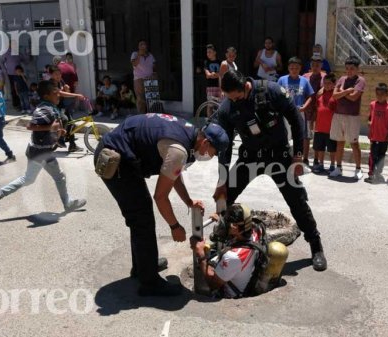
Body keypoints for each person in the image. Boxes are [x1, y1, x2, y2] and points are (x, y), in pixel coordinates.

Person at [94, 113, 229, 297]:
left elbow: (173, 173)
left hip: (125, 154)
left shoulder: (189, 135)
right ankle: (149, 283)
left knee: (140, 216)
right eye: (212, 153)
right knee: (141, 218)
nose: (210, 157)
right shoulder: (179, 150)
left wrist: (188, 202)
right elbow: (161, 196)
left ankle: (143, 266)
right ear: (205, 142)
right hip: (115, 160)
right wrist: (175, 226)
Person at [212, 69, 327, 272]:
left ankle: (316, 246)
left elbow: (296, 119)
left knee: (297, 201)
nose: (234, 102)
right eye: (230, 98)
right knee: (224, 196)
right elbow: (225, 144)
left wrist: (298, 155)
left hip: (279, 156)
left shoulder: (271, 90)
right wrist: (222, 179)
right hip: (251, 156)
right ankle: (220, 240)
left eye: (236, 97)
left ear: (245, 87)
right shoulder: (228, 106)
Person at [0, 81, 87, 215]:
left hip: (41, 150)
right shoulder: (44, 109)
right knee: (46, 177)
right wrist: (51, 128)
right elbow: (30, 126)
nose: (59, 96)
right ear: (46, 96)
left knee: (38, 178)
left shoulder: (50, 107)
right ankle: (67, 203)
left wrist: (57, 132)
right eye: (55, 93)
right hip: (41, 152)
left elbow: (48, 126)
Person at [190, 203, 262, 298]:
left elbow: (212, 284)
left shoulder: (233, 256)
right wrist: (220, 220)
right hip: (240, 273)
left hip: (227, 294)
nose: (223, 224)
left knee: (207, 264)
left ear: (235, 226)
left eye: (226, 222)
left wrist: (201, 255)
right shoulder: (255, 230)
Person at [330, 56, 366, 179]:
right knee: (339, 142)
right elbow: (334, 96)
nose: (349, 71)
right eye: (347, 68)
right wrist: (347, 91)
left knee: (354, 143)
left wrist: (342, 92)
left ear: (357, 69)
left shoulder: (360, 81)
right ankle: (338, 167)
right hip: (338, 114)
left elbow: (354, 97)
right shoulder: (342, 78)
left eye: (352, 68)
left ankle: (358, 169)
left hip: (352, 116)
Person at [277, 57, 315, 168]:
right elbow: (277, 95)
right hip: (285, 113)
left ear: (300, 69)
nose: (294, 70)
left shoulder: (304, 81)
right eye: (292, 67)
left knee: (301, 137)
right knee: (285, 136)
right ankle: (285, 158)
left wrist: (305, 107)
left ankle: (301, 159)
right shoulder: (282, 80)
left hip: (299, 112)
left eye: (297, 68)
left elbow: (311, 96)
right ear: (288, 68)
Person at [48, 65, 86, 152]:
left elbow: (65, 93)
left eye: (59, 74)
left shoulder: (60, 81)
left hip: (61, 105)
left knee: (71, 122)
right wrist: (77, 95)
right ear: (51, 75)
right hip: (53, 107)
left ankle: (72, 145)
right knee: (65, 119)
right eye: (56, 74)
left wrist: (66, 89)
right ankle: (60, 138)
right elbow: (61, 94)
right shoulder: (50, 84)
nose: (58, 76)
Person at [364, 83, 388, 184]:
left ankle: (378, 173)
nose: (379, 96)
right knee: (373, 155)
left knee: (381, 156)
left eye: (382, 94)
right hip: (374, 136)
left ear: (387, 95)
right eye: (377, 94)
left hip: (384, 137)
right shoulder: (373, 104)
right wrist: (369, 125)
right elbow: (370, 117)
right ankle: (371, 173)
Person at [303, 55, 327, 167]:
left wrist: (321, 90)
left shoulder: (325, 77)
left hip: (320, 111)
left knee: (318, 135)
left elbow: (327, 89)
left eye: (317, 65)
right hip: (307, 109)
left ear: (321, 65)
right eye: (313, 65)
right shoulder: (305, 76)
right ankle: (305, 158)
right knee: (307, 135)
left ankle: (316, 159)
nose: (315, 67)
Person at [311, 73, 337, 174]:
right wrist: (313, 122)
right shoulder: (320, 95)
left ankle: (332, 165)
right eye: (325, 83)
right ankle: (321, 164)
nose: (327, 85)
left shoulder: (335, 95)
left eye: (329, 83)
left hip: (331, 128)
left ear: (334, 84)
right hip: (319, 127)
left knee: (332, 149)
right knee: (320, 148)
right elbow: (316, 109)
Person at [0, 42, 30, 110]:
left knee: (22, 88)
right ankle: (16, 105)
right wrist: (5, 70)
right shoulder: (6, 53)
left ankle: (24, 104)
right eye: (12, 44)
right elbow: (1, 62)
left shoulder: (18, 53)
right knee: (14, 89)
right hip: (11, 74)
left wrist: (27, 53)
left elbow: (26, 61)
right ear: (9, 45)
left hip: (19, 74)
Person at [131, 40, 156, 113]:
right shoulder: (135, 54)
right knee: (140, 98)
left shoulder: (150, 55)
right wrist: (139, 54)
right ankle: (141, 115)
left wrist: (154, 74)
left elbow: (154, 66)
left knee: (151, 98)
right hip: (139, 79)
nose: (143, 46)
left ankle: (150, 113)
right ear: (138, 47)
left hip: (150, 78)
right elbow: (134, 64)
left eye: (144, 44)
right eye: (141, 45)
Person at [204, 44, 222, 116]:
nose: (208, 54)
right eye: (207, 52)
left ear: (215, 52)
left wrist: (214, 74)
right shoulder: (206, 62)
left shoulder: (220, 62)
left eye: (210, 52)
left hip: (219, 86)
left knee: (220, 106)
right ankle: (209, 121)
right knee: (210, 105)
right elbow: (207, 75)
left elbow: (221, 74)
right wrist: (215, 74)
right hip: (210, 86)